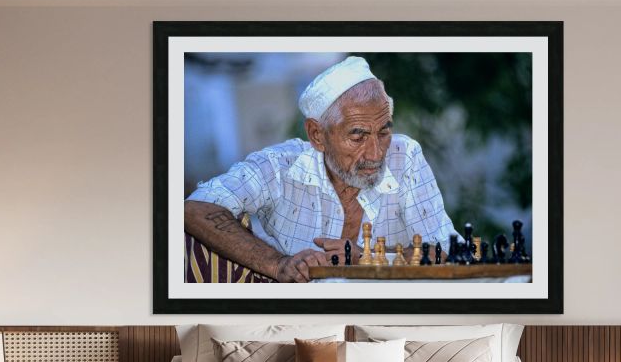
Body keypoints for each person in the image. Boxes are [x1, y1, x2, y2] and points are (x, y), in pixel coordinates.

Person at [185, 56, 460, 282]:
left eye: (384, 132)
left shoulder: (405, 156)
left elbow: (449, 250)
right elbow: (196, 208)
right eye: (358, 136)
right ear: (317, 135)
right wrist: (278, 264)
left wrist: (365, 256)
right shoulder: (279, 167)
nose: (376, 153)